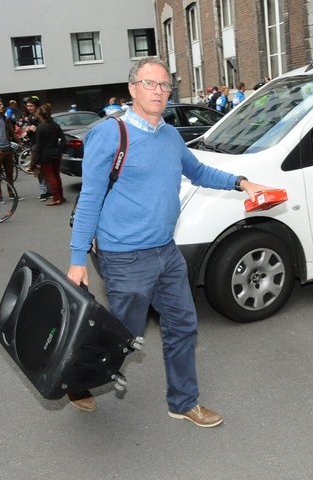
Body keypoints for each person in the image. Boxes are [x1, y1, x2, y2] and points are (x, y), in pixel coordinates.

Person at [67, 57, 271, 428]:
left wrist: (242, 183)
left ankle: (183, 401)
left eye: (164, 85)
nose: (158, 91)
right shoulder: (109, 134)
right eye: (150, 84)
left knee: (183, 326)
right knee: (121, 337)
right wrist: (78, 258)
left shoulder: (169, 135)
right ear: (132, 89)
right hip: (125, 258)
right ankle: (77, 381)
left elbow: (199, 172)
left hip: (167, 251)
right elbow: (90, 198)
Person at [33, 103, 65, 206]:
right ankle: (60, 196)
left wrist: (36, 161)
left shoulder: (41, 128)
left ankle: (56, 198)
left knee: (51, 176)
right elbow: (63, 139)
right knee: (57, 175)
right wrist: (61, 150)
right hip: (56, 153)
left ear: (41, 115)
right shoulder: (55, 125)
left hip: (46, 155)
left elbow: (39, 146)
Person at [21, 95, 51, 201]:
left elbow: (47, 130)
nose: (29, 108)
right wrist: (27, 130)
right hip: (34, 145)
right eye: (27, 106)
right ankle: (45, 191)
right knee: (38, 169)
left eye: (31, 106)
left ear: (37, 106)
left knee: (44, 169)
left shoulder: (42, 116)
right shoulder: (30, 117)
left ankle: (47, 191)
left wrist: (36, 129)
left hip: (43, 145)